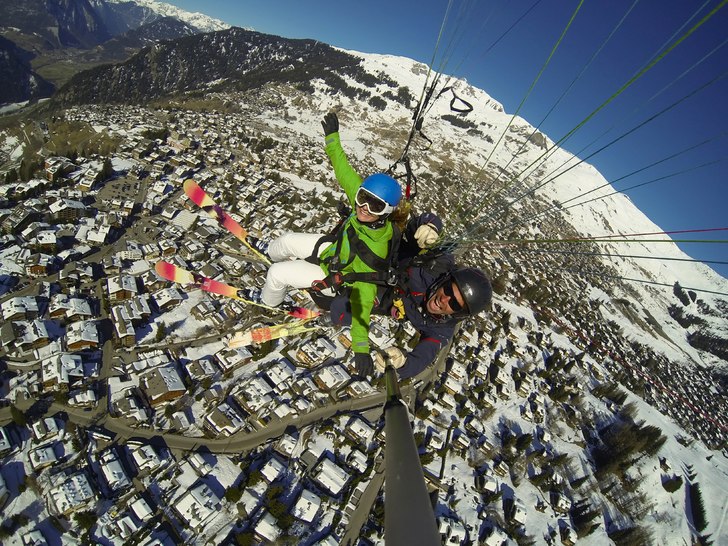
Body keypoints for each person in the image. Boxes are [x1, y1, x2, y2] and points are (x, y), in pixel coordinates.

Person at [243, 112, 402, 377]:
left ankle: (269, 303)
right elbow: (343, 169)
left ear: (386, 212)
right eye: (362, 198)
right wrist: (332, 138)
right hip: (333, 250)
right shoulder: (361, 202)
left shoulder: (375, 252)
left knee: (277, 273)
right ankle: (268, 250)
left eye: (374, 206)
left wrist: (361, 348)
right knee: (286, 241)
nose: (363, 208)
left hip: (336, 276)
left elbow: (362, 302)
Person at [329, 212, 493, 380]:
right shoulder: (437, 266)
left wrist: (403, 363)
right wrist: (430, 227)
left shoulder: (441, 328)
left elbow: (423, 357)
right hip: (388, 257)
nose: (444, 299)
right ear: (445, 280)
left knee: (341, 309)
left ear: (458, 314)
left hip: (390, 295)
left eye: (455, 304)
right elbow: (431, 226)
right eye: (448, 290)